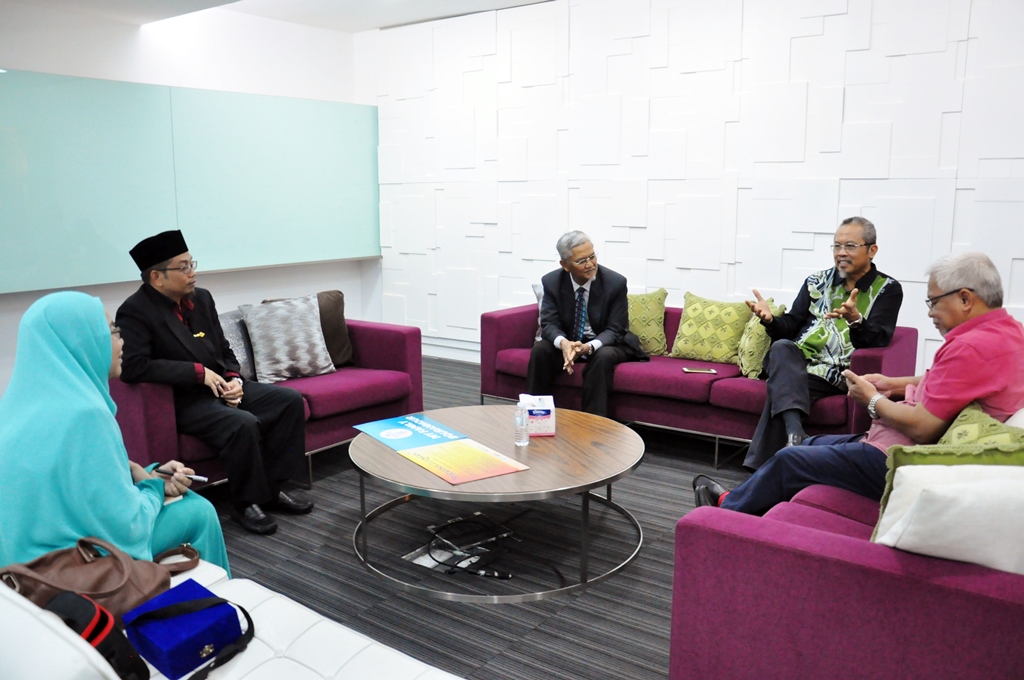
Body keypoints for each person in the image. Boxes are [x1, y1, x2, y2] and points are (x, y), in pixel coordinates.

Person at [693, 252, 1024, 515]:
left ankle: (725, 512)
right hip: (881, 432)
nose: (930, 313)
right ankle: (763, 499)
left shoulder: (965, 344)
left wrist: (872, 399)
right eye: (837, 245)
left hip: (896, 457)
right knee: (805, 435)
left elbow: (922, 428)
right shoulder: (1007, 332)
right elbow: (949, 379)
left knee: (788, 460)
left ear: (965, 298)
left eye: (934, 301)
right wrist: (893, 383)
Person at [0, 292, 231, 574]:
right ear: (83, 342)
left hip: (15, 561)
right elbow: (128, 526)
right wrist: (154, 488)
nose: (122, 342)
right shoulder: (85, 414)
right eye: (113, 332)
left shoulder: (14, 404)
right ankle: (207, 596)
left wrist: (144, 474)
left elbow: (72, 485)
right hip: (69, 563)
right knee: (199, 511)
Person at [116, 230, 312, 536]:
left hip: (221, 386)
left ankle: (273, 489)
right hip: (185, 399)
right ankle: (246, 504)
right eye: (183, 267)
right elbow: (133, 366)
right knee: (242, 423)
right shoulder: (135, 311)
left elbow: (223, 349)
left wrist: (234, 379)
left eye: (191, 263)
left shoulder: (202, 298)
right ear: (156, 277)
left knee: (288, 401)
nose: (192, 272)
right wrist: (196, 373)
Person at [742, 216, 903, 469]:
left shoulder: (887, 289)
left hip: (835, 371)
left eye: (850, 246)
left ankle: (778, 451)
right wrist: (771, 320)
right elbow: (791, 326)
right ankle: (795, 437)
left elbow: (878, 338)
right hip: (796, 362)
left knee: (782, 388)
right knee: (782, 347)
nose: (841, 252)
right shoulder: (816, 282)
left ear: (872, 250)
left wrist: (855, 320)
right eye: (837, 246)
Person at [526, 230, 647, 417]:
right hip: (570, 341)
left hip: (606, 343)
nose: (590, 264)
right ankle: (536, 415)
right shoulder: (552, 282)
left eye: (592, 257)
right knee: (541, 350)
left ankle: (593, 423)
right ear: (565, 265)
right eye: (581, 261)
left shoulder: (615, 283)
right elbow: (549, 323)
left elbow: (616, 329)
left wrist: (589, 347)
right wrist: (564, 344)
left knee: (602, 357)